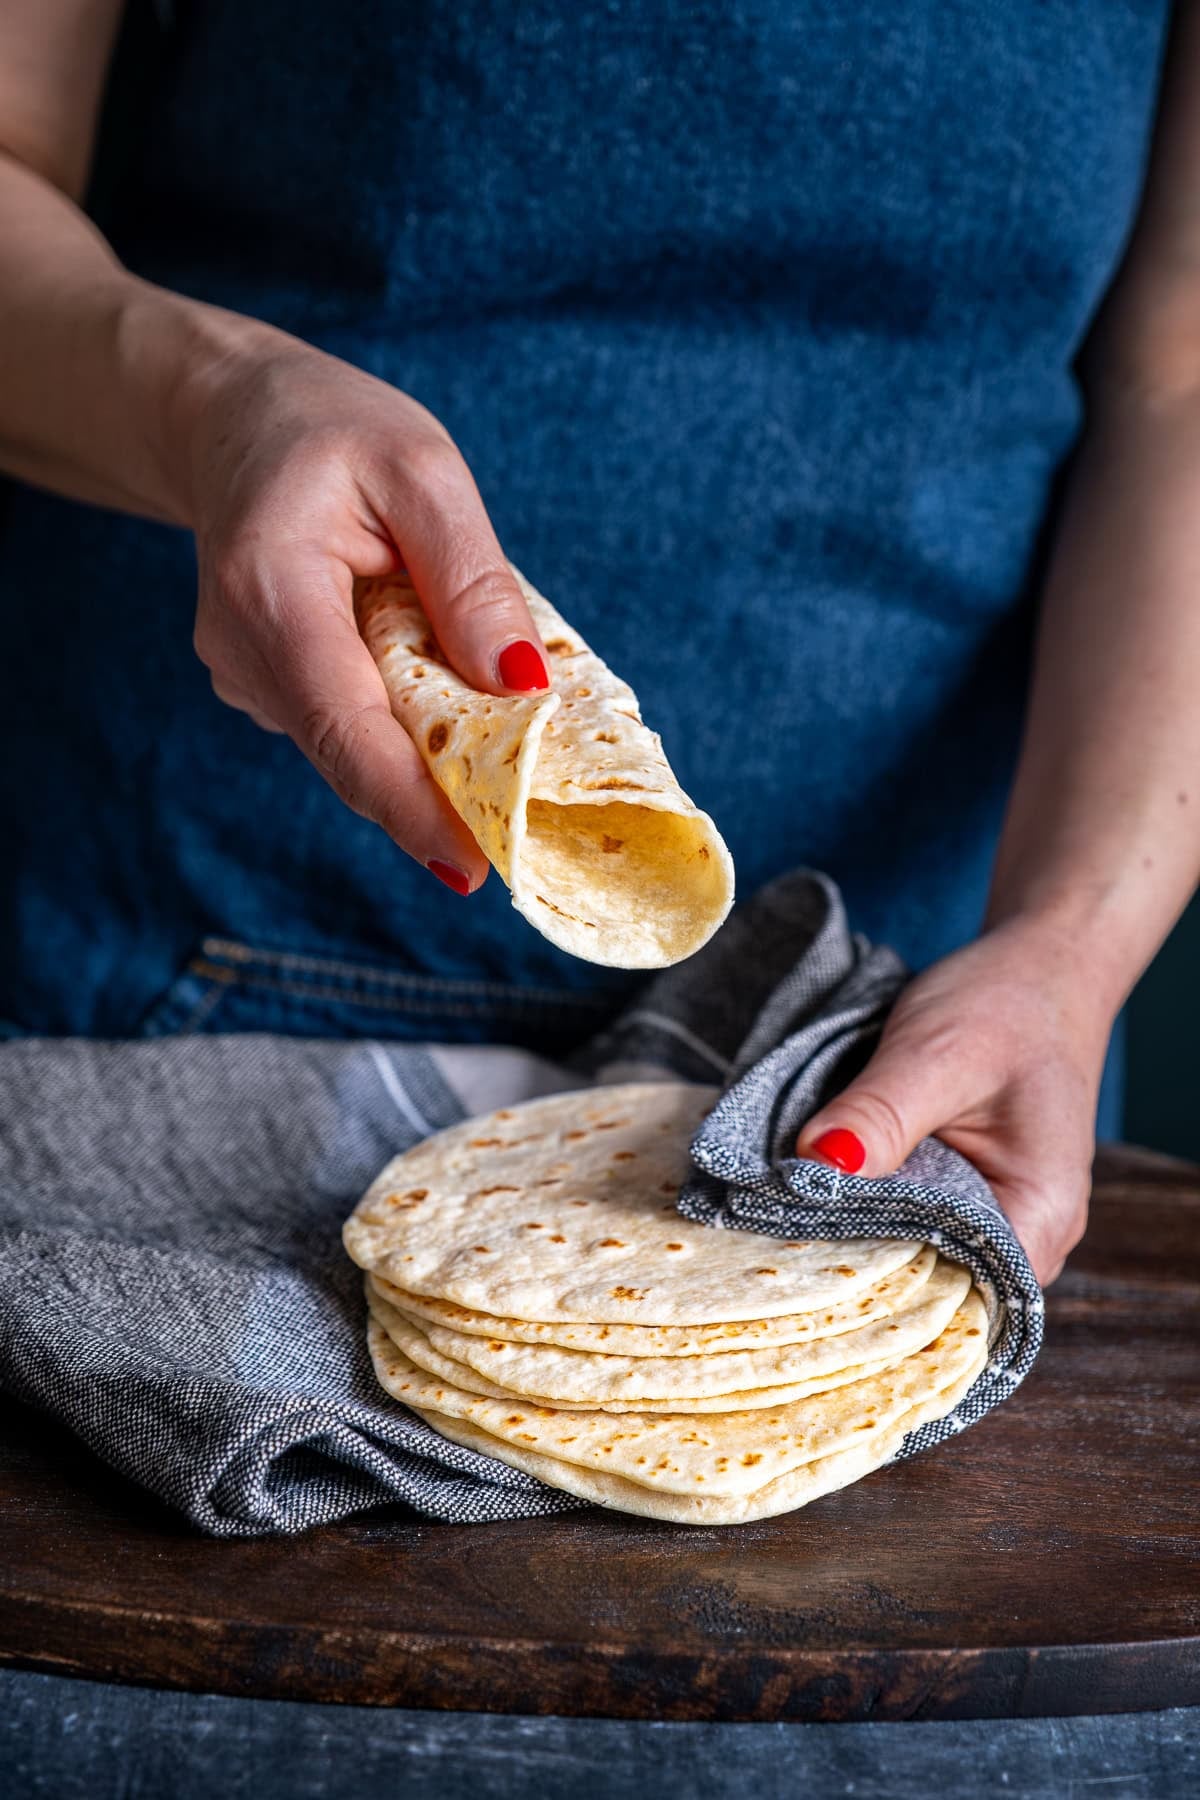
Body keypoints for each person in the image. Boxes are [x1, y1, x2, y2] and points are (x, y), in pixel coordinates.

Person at [2, 0, 1198, 1288]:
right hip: (194, 965)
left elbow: (1179, 374)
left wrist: (1071, 945)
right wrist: (212, 404)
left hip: (902, 1041)